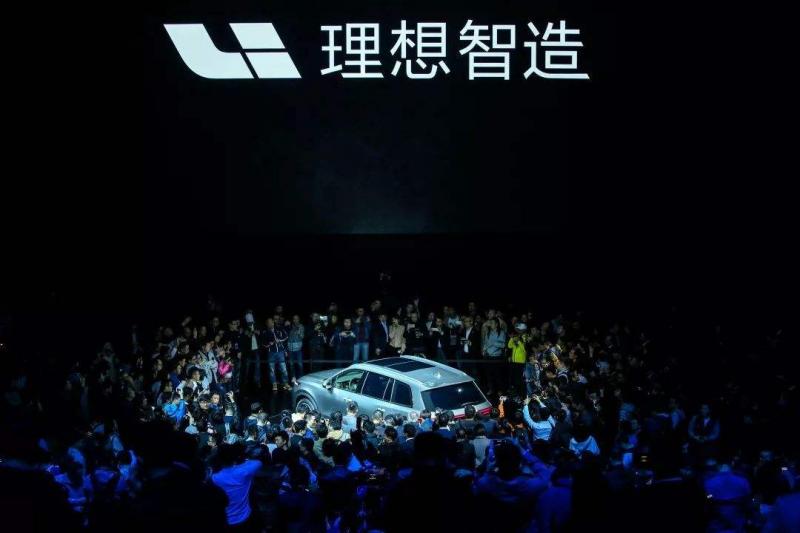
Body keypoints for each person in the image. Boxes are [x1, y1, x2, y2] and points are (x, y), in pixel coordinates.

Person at [211, 442, 263, 529]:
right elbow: (258, 462)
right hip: (244, 517)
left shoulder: (214, 477)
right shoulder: (244, 471)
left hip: (225, 519)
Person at [262, 318, 291, 392]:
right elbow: (264, 344)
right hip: (271, 353)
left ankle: (285, 383)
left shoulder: (279, 329)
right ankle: (274, 384)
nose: (270, 324)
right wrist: (269, 344)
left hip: (280, 352)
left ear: (273, 322)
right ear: (267, 324)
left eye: (271, 322)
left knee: (284, 369)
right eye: (268, 323)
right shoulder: (265, 332)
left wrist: (279, 340)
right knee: (272, 370)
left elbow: (286, 336)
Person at [287, 314, 304, 385]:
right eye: (294, 319)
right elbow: (287, 336)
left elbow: (302, 336)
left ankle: (301, 380)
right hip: (290, 349)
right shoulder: (290, 326)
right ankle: (293, 380)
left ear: (299, 319)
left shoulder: (301, 326)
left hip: (298, 349)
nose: (295, 320)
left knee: (300, 365)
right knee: (291, 365)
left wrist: (299, 332)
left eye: (297, 319)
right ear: (293, 320)